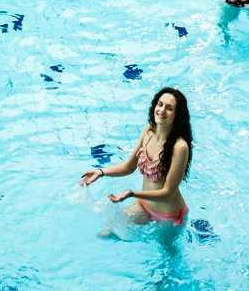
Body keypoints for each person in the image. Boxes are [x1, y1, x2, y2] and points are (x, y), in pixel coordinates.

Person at [79, 87, 193, 230]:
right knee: (107, 232)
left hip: (169, 216)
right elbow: (129, 167)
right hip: (144, 205)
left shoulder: (180, 147)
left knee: (166, 253)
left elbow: (167, 193)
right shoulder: (148, 131)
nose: (162, 110)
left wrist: (132, 194)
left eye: (169, 108)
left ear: (177, 115)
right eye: (160, 104)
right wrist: (100, 172)